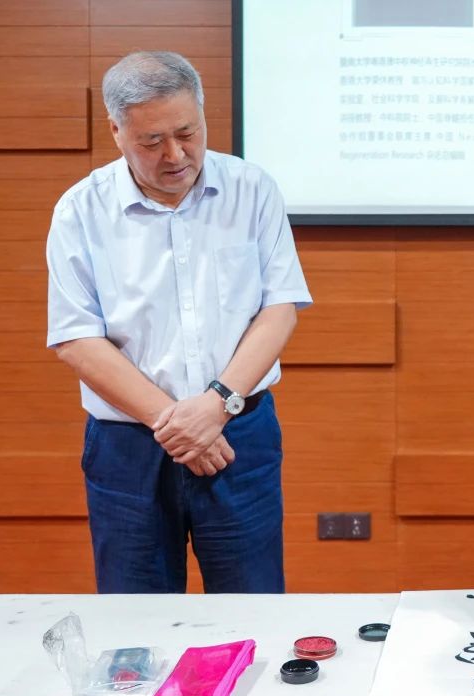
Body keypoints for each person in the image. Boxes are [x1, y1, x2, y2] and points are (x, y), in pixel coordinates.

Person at [46, 51, 312, 594]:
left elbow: (279, 308)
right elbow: (76, 338)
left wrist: (215, 406)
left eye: (187, 133)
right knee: (135, 617)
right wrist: (177, 425)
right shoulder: (80, 210)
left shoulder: (251, 190)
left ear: (202, 113)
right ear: (117, 131)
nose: (175, 155)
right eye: (152, 142)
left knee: (253, 607)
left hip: (239, 433)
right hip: (129, 446)